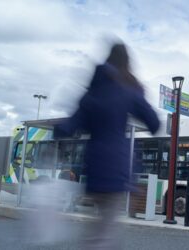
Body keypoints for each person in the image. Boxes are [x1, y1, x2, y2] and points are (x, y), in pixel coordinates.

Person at [55, 41, 160, 249]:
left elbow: (68, 127)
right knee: (102, 235)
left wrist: (57, 130)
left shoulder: (91, 94)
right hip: (117, 172)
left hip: (94, 171)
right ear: (126, 63)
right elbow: (154, 124)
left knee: (100, 232)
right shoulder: (127, 90)